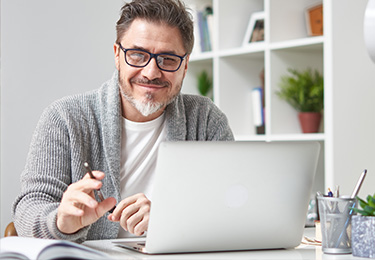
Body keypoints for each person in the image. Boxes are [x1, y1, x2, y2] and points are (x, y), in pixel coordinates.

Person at [12, 0, 234, 243]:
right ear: (117, 55)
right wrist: (62, 222)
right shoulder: (65, 118)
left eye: (168, 59)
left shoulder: (206, 120)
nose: (151, 72)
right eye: (138, 55)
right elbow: (28, 210)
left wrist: (171, 217)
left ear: (185, 65)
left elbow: (233, 203)